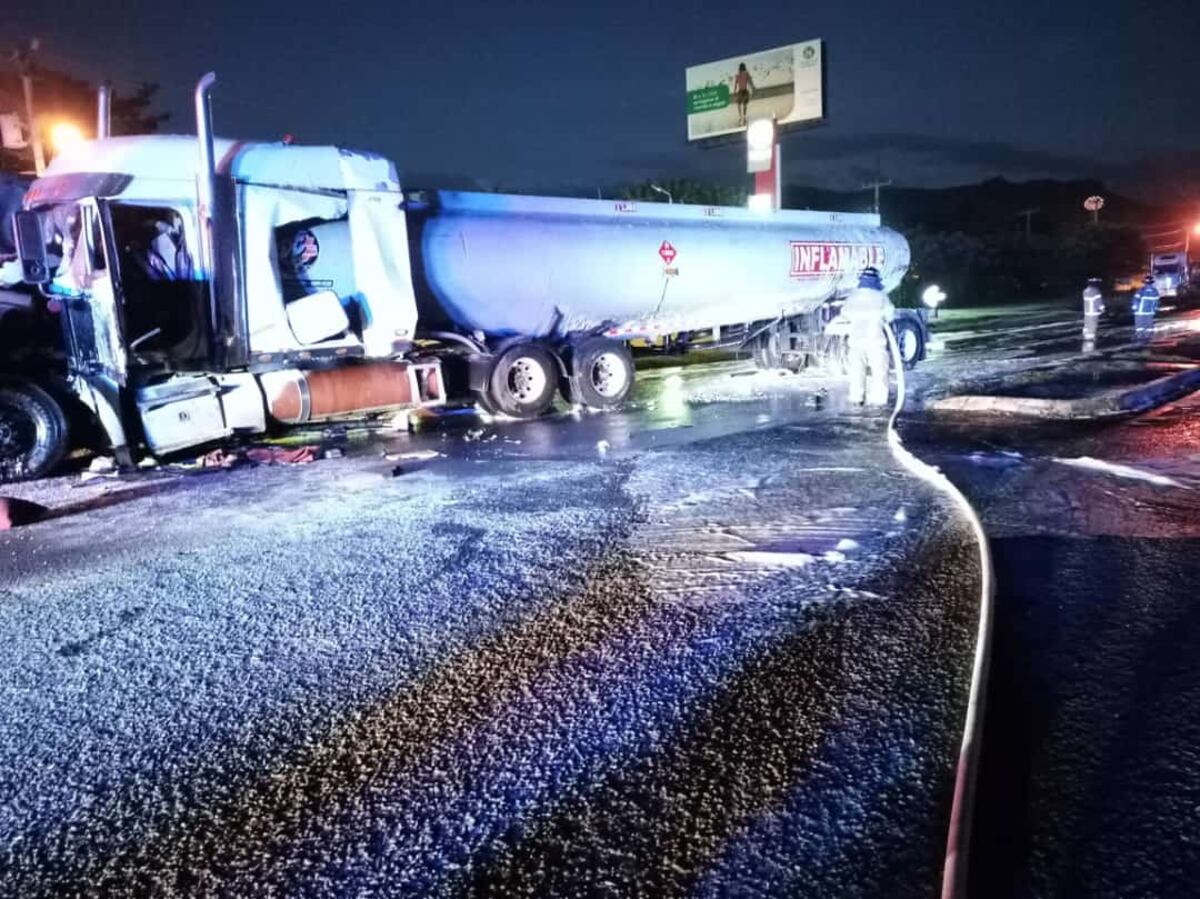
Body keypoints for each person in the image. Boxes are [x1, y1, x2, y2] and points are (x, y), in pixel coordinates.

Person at [839, 265, 896, 406]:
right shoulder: (881, 296)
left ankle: (856, 398)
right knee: (879, 374)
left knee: (857, 373)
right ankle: (878, 401)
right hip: (875, 342)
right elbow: (890, 315)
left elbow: (844, 314)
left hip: (856, 342)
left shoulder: (853, 296)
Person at [1131, 274, 1159, 342]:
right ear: (1152, 283)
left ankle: (1140, 337)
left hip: (1140, 311)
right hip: (1150, 312)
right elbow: (1156, 302)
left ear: (1145, 283)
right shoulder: (1155, 291)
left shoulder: (1141, 290)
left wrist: (1134, 307)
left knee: (1140, 326)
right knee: (1149, 325)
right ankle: (1149, 336)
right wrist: (1154, 309)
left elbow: (1136, 299)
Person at [1081, 277, 1105, 347]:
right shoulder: (1096, 291)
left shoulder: (1085, 291)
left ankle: (1086, 336)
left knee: (1087, 325)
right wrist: (1102, 309)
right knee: (1092, 325)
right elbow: (1099, 302)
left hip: (1087, 312)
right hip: (1093, 312)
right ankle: (1090, 340)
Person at [734, 63, 755, 127]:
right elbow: (750, 82)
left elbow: (736, 84)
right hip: (745, 91)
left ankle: (741, 116)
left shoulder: (738, 75)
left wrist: (734, 91)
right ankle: (744, 116)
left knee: (739, 104)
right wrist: (753, 87)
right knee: (744, 104)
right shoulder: (746, 74)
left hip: (740, 91)